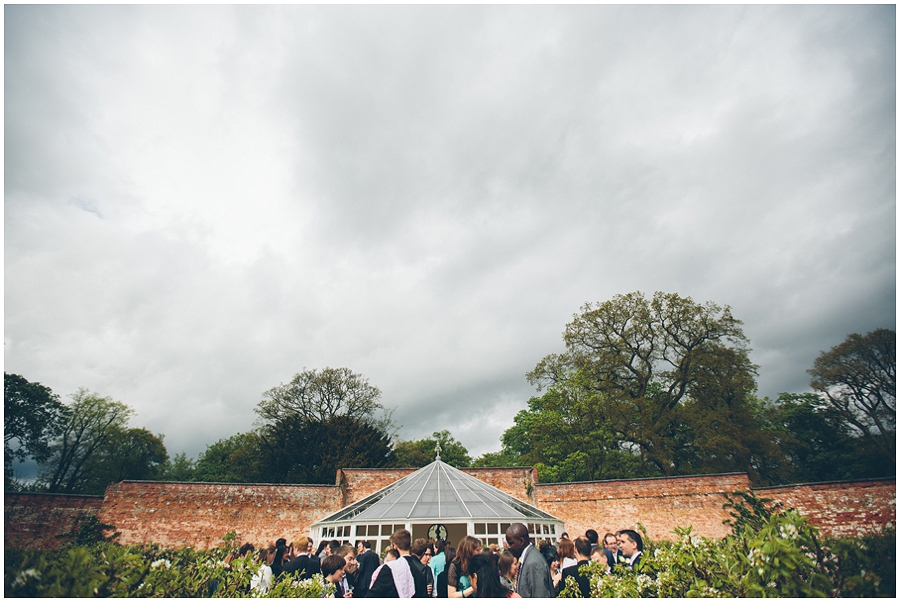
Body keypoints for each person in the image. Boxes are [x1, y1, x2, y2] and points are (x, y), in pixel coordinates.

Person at [366, 529, 429, 597]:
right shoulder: (420, 569)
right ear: (409, 544)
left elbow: (373, 595)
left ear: (395, 546)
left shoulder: (389, 569)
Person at [504, 523, 553, 598]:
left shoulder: (533, 563)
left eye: (511, 543)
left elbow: (540, 595)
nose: (509, 547)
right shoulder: (528, 558)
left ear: (521, 541)